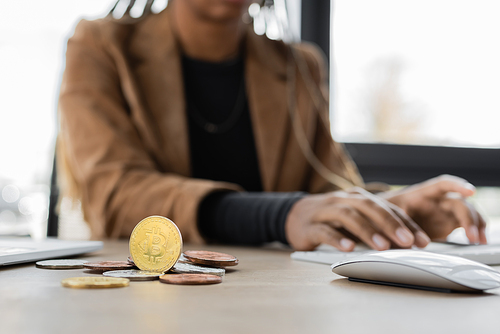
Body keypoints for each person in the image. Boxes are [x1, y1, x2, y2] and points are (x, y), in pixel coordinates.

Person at [57, 0, 486, 251]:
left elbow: (328, 193)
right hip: (145, 300)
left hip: (279, 299)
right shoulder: (101, 46)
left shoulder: (299, 66)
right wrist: (281, 215)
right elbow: (114, 197)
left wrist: (397, 212)